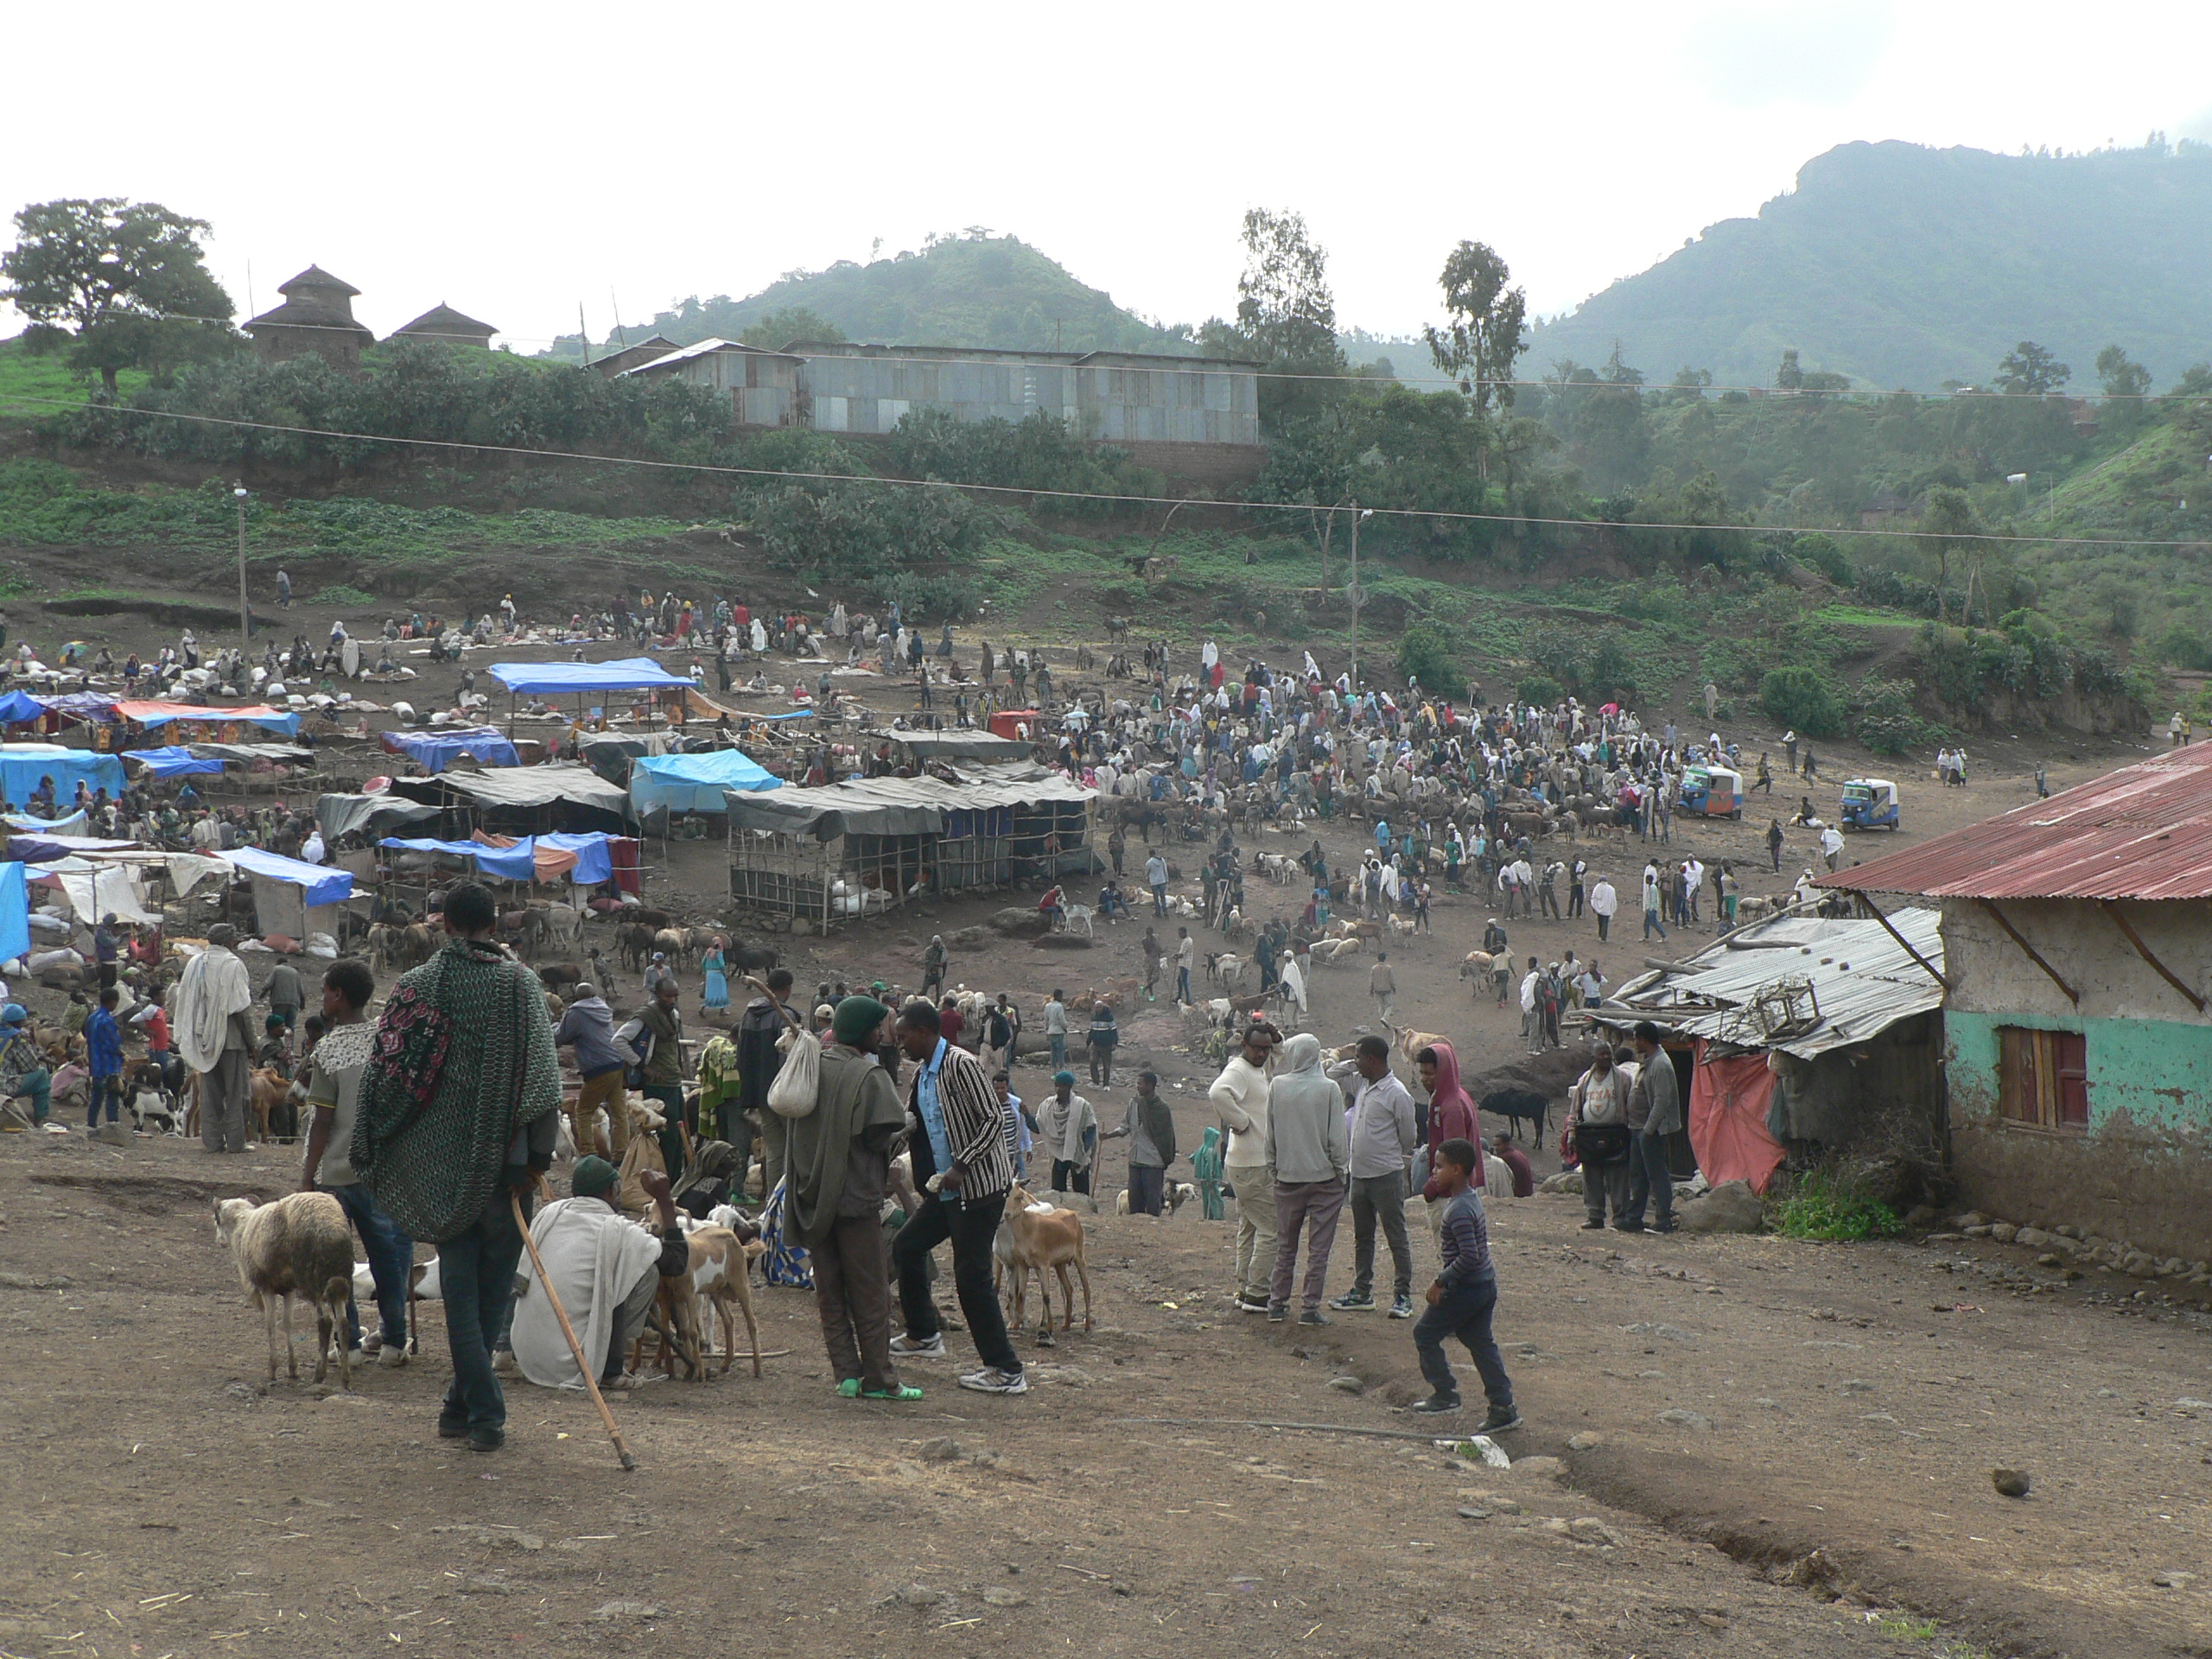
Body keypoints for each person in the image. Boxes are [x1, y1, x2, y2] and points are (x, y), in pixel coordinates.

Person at [352, 881, 563, 1452]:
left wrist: (386, 1138)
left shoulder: (416, 987)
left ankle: (457, 1407)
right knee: (489, 1293)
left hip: (442, 1171)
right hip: (508, 1169)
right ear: (494, 925)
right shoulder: (520, 985)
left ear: (443, 924)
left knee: (467, 1294)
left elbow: (385, 1074)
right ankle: (486, 1414)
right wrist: (537, 1159)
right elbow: (544, 1085)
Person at [887, 1001, 1027, 1395]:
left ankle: (1006, 1370)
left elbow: (993, 1118)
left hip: (978, 1188)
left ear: (925, 1032)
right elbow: (916, 1121)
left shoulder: (961, 1065)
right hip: (946, 1190)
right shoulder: (922, 1075)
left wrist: (962, 1166)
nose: (900, 1044)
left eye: (904, 1036)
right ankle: (923, 1335)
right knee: (907, 1246)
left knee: (972, 1278)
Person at [789, 996, 918, 1401]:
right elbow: (878, 1136)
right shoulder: (869, 1075)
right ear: (863, 1030)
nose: (882, 1034)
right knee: (870, 1292)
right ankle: (880, 1378)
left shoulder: (812, 1066)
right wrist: (905, 1126)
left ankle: (846, 1374)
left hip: (813, 1197)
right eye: (877, 1027)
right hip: (855, 1198)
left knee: (829, 1289)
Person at [298, 957, 412, 1366]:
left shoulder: (328, 1050)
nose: (323, 998)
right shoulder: (389, 1039)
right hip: (381, 1169)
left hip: (337, 1173)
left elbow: (322, 1121)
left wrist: (307, 1177)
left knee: (337, 1263)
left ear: (338, 996)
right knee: (387, 1257)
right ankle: (395, 1342)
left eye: (325, 991)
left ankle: (349, 1345)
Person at [511, 1157, 690, 1390]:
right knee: (643, 1272)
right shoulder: (616, 1229)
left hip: (529, 1357)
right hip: (574, 1363)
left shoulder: (550, 1214)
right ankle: (609, 1369)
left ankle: (505, 1349)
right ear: (612, 1190)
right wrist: (665, 1202)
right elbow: (677, 1262)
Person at [1407, 1135, 1519, 1432]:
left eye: (1439, 1167)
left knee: (1425, 1333)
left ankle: (1445, 1394)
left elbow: (1469, 1256)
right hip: (1485, 1284)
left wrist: (1441, 1281)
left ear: (1457, 1170)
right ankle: (1503, 1407)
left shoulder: (1458, 1210)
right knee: (1480, 1342)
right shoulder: (1469, 1199)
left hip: (1467, 1287)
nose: (1434, 1172)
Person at [1329, 1033, 1418, 1319]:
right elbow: (1331, 1073)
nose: (1355, 1062)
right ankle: (1362, 1292)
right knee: (1363, 1236)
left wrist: (1387, 1155)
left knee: (1396, 1236)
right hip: (1359, 1175)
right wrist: (1351, 1061)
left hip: (1386, 1176)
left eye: (1359, 1057)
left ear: (1371, 1059)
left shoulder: (1397, 1093)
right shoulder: (1361, 1083)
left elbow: (1409, 1137)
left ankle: (1402, 1296)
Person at [1264, 1033, 1351, 1325]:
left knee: (1286, 1246)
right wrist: (1341, 1171)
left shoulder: (1278, 1085)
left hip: (1287, 1179)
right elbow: (1336, 1138)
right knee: (1319, 1250)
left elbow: (1270, 1134)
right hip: (1324, 1180)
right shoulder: (1329, 1089)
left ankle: (1277, 1304)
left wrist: (1275, 1168)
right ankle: (1309, 1308)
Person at [1210, 1020, 1279, 1313]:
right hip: (1252, 1165)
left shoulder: (1255, 1068)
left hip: (1246, 1163)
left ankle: (1245, 1288)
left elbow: (1278, 1056)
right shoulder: (1239, 1070)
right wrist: (1241, 1121)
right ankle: (1258, 1293)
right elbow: (1217, 1093)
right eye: (1257, 1048)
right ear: (1244, 1046)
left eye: (1266, 1048)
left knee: (1250, 1227)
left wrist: (1276, 1039)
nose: (1263, 1053)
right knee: (1272, 1229)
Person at [175, 923, 257, 1153]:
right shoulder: (233, 965)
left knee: (210, 1094)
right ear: (229, 941)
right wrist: (253, 1042)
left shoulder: (195, 963)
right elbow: (242, 1009)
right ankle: (236, 1142)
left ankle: (212, 1142)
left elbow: (186, 1002)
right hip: (232, 1041)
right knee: (238, 1094)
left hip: (204, 1039)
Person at [553, 983, 632, 1163]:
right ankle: (621, 1156)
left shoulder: (577, 1013)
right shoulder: (603, 1009)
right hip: (618, 1064)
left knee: (583, 1111)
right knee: (619, 1113)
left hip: (599, 1068)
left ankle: (589, 1154)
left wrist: (552, 1027)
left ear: (577, 997)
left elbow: (560, 1037)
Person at [736, 968, 795, 1204]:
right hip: (783, 1093)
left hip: (760, 1094)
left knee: (774, 1149)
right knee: (793, 1147)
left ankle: (773, 1199)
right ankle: (789, 1200)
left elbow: (742, 1054)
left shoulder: (749, 1014)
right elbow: (788, 1058)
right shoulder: (784, 1015)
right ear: (788, 989)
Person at [1624, 1021, 1682, 1234]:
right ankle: (1634, 1218)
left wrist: (1649, 1130)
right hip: (1638, 1127)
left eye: (1635, 1038)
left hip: (1651, 1130)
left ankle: (1663, 1218)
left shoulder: (1660, 1065)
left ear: (1643, 1039)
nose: (1634, 1043)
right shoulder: (1649, 1061)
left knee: (1657, 1174)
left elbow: (1662, 1101)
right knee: (1638, 1175)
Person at [1568, 1043, 1633, 1230]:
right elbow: (1575, 1108)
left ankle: (1620, 1217)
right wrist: (1572, 1132)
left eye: (1608, 1053)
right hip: (1589, 1134)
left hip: (1615, 1133)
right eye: (1602, 1054)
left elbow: (1630, 1104)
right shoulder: (1585, 1080)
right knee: (1591, 1176)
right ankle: (1595, 1216)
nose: (1606, 1057)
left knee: (1618, 1177)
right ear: (1594, 1057)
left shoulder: (1623, 1079)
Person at [1103, 1069, 1177, 1215]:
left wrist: (1165, 1157)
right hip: (1135, 1160)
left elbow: (1166, 1138)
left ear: (1150, 1086)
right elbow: (1125, 1127)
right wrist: (1108, 1135)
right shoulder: (1134, 1103)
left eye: (1140, 1084)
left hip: (1153, 1163)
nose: (1137, 1086)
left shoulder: (1162, 1109)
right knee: (1134, 1201)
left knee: (1153, 1203)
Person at [637, 977, 689, 1179]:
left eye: (675, 996)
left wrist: (679, 1066)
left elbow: (674, 1045)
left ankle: (674, 1178)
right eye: (668, 996)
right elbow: (619, 1041)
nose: (672, 1000)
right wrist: (644, 1067)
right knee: (665, 1134)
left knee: (678, 1134)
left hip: (673, 1082)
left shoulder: (674, 1015)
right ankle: (661, 1178)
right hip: (657, 1085)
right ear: (657, 995)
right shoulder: (646, 1017)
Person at [1038, 1070, 1097, 1196]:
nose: (1058, 1089)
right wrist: (1027, 1116)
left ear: (1069, 1087)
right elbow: (1039, 1126)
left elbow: (1090, 1130)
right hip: (1057, 1152)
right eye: (1057, 1085)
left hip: (1077, 1154)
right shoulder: (1048, 1106)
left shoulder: (1082, 1106)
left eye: (1062, 1086)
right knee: (1057, 1192)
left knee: (1081, 1193)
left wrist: (1083, 1152)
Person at [0, 1005, 53, 1128]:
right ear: (20, 1022)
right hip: (3, 1086)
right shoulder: (16, 1037)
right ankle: (40, 1120)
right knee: (42, 1075)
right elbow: (31, 1066)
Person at [84, 987, 123, 1135]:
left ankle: (91, 1125)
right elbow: (113, 1043)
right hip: (109, 1065)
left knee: (96, 1099)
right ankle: (113, 1129)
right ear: (112, 1002)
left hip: (96, 1064)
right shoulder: (108, 1020)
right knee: (112, 1098)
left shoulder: (92, 1018)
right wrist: (122, 1054)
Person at [1190, 1124, 1226, 1220]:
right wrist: (1209, 1178)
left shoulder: (1202, 1149)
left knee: (1207, 1199)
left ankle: (1207, 1216)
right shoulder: (1210, 1151)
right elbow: (1209, 1167)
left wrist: (1199, 1165)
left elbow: (1191, 1159)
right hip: (1211, 1179)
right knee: (1216, 1199)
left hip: (1202, 1179)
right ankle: (1217, 1217)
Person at [264, 957, 305, 1031]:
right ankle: (290, 1038)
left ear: (278, 963)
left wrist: (262, 994)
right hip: (293, 1003)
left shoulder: (277, 969)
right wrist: (302, 1003)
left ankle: (279, 1038)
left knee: (278, 1026)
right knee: (290, 1027)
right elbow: (300, 989)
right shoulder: (295, 972)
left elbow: (268, 984)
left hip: (279, 1002)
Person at [1491, 1131, 1535, 1198]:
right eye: (1494, 1145)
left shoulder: (1506, 1158)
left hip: (1520, 1194)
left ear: (1506, 1144)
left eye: (1498, 1145)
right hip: (1528, 1192)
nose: (1496, 1148)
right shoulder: (1516, 1153)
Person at [1043, 988, 1070, 1074]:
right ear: (1058, 996)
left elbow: (1046, 1020)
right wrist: (1065, 1027)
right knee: (1060, 1051)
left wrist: (1046, 1030)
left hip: (1051, 1031)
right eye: (1061, 996)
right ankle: (1061, 1069)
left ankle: (1053, 1071)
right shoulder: (1059, 1006)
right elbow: (1061, 1020)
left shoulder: (1047, 1006)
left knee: (1053, 1052)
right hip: (1059, 1031)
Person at [700, 938, 729, 1015]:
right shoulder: (718, 953)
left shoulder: (708, 952)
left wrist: (704, 971)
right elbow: (722, 964)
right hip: (718, 974)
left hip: (709, 974)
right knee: (722, 991)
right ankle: (722, 1010)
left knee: (709, 992)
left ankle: (702, 1009)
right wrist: (724, 971)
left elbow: (703, 962)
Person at [1369, 953, 1396, 1028]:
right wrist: (1394, 988)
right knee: (1389, 1005)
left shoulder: (1374, 968)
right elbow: (1391, 980)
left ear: (1378, 959)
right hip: (1387, 989)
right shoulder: (1388, 968)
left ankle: (1383, 1023)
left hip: (1377, 990)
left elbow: (1372, 980)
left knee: (1380, 1006)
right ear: (1385, 959)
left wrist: (1371, 989)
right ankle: (1385, 1018)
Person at [1588, 875, 1616, 942]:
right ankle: (1603, 937)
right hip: (1607, 909)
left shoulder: (1598, 887)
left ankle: (1601, 935)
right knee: (1605, 923)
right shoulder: (1611, 889)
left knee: (1600, 922)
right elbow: (1613, 900)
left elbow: (1594, 898)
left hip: (1599, 909)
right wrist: (1612, 909)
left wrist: (1594, 907)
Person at [921, 935, 948, 999]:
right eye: (935, 943)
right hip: (930, 973)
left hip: (938, 974)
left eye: (938, 943)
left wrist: (944, 950)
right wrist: (937, 964)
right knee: (924, 991)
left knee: (939, 993)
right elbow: (926, 961)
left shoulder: (942, 951)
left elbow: (944, 961)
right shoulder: (928, 950)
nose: (936, 945)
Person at [1175, 926, 1195, 1005]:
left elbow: (1181, 954)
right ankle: (1179, 997)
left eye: (1180, 933)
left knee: (1185, 982)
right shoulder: (1187, 940)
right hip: (1184, 963)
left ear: (1184, 933)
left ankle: (1189, 1000)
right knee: (1180, 981)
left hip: (1185, 964)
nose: (1179, 935)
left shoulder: (1187, 941)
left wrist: (1176, 956)